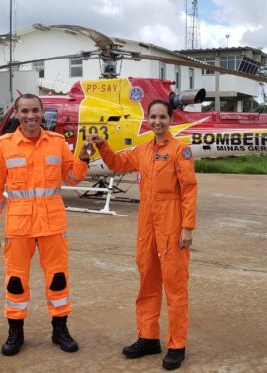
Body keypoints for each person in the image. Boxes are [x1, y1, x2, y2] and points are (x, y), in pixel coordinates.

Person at [89, 99, 197, 371]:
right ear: (148, 120)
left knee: (174, 285)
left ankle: (176, 344)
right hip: (146, 225)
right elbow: (116, 162)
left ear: (170, 120)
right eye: (153, 117)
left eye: (162, 117)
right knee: (147, 281)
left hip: (172, 225)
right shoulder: (143, 150)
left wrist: (187, 227)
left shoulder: (180, 151)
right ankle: (148, 337)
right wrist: (102, 144)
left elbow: (189, 190)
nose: (158, 122)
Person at [0, 93, 90, 356]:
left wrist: (84, 157)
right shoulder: (3, 145)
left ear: (43, 113)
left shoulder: (56, 142)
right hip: (19, 226)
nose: (30, 116)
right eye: (24, 111)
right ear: (17, 115)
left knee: (57, 279)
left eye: (35, 110)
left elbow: (74, 177)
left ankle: (60, 329)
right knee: (16, 281)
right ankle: (15, 331)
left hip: (53, 224)